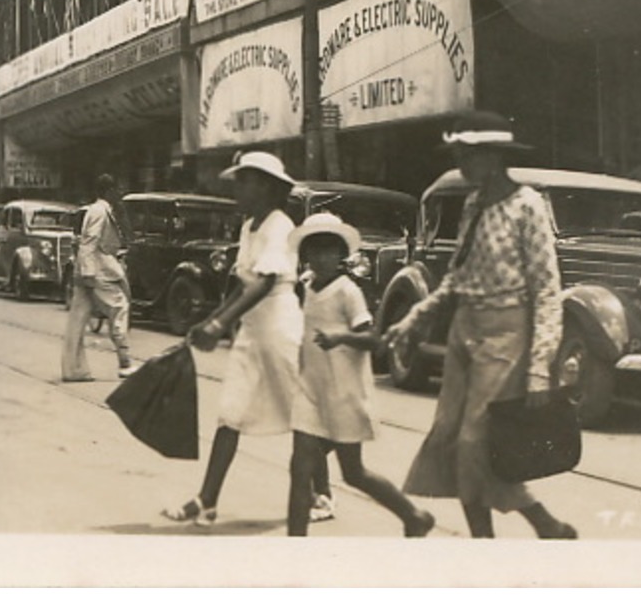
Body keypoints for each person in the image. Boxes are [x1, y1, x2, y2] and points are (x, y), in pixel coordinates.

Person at [383, 110, 576, 539]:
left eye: (469, 155)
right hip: (463, 333)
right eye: (458, 156)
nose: (462, 165)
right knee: (453, 437)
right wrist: (415, 317)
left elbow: (547, 288)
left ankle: (517, 532)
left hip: (506, 335)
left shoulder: (526, 205)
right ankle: (529, 531)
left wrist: (540, 368)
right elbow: (458, 276)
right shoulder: (472, 204)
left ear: (494, 157)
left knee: (476, 443)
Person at [164, 150, 303, 527]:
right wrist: (209, 320)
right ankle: (207, 500)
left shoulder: (280, 225)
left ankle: (321, 493)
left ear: (268, 187)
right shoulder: (248, 226)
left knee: (303, 416)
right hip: (251, 330)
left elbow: (266, 282)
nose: (238, 189)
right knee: (230, 413)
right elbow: (242, 284)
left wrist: (220, 323)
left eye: (245, 181)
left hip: (279, 326)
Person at [285, 213, 436, 537]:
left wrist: (340, 338)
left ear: (342, 255)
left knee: (354, 473)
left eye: (330, 250)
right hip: (311, 391)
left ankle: (413, 515)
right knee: (300, 468)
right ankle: (293, 547)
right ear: (305, 254)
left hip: (344, 394)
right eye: (315, 250)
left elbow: (375, 340)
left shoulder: (347, 291)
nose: (322, 257)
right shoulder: (307, 287)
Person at [62, 174, 137, 382]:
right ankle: (125, 362)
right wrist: (89, 273)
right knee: (119, 307)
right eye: (116, 189)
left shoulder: (99, 210)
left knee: (77, 321)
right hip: (97, 271)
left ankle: (74, 369)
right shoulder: (99, 212)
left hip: (89, 269)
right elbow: (90, 242)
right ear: (109, 191)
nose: (119, 193)